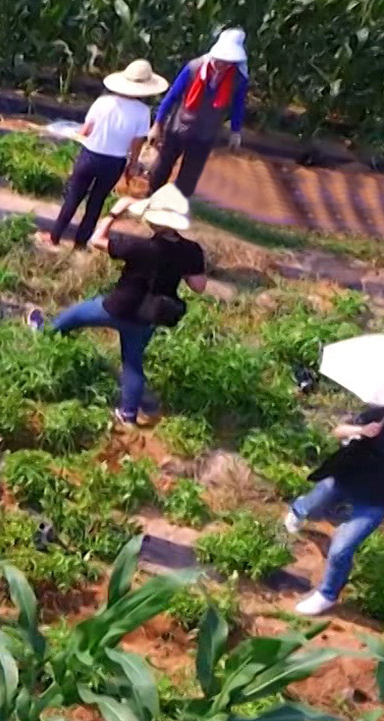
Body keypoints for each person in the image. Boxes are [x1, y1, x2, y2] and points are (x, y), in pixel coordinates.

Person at [29, 185, 207, 425]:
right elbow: (199, 285)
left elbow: (96, 239)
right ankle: (128, 414)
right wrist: (181, 268)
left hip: (117, 307)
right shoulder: (191, 251)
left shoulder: (139, 246)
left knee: (74, 316)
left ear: (154, 221)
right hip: (148, 317)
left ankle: (44, 333)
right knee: (132, 363)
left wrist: (114, 213)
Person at [52, 59, 166, 248]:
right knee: (96, 202)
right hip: (114, 163)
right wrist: (132, 165)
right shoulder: (143, 112)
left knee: (73, 197)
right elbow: (137, 144)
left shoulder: (103, 102)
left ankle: (55, 237)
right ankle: (80, 243)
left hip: (89, 156)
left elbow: (86, 130)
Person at [284, 406, 384, 616]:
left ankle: (327, 595)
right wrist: (362, 430)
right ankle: (299, 510)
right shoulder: (378, 414)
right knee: (311, 509)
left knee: (341, 550)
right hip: (342, 481)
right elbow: (338, 431)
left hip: (374, 503)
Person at [150, 28, 250, 197]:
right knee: (162, 165)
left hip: (207, 131)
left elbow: (238, 106)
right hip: (179, 125)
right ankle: (152, 194)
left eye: (228, 62)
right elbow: (172, 95)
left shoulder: (238, 79)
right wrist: (157, 123)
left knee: (190, 174)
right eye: (219, 60)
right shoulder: (193, 68)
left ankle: (177, 203)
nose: (222, 65)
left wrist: (235, 132)